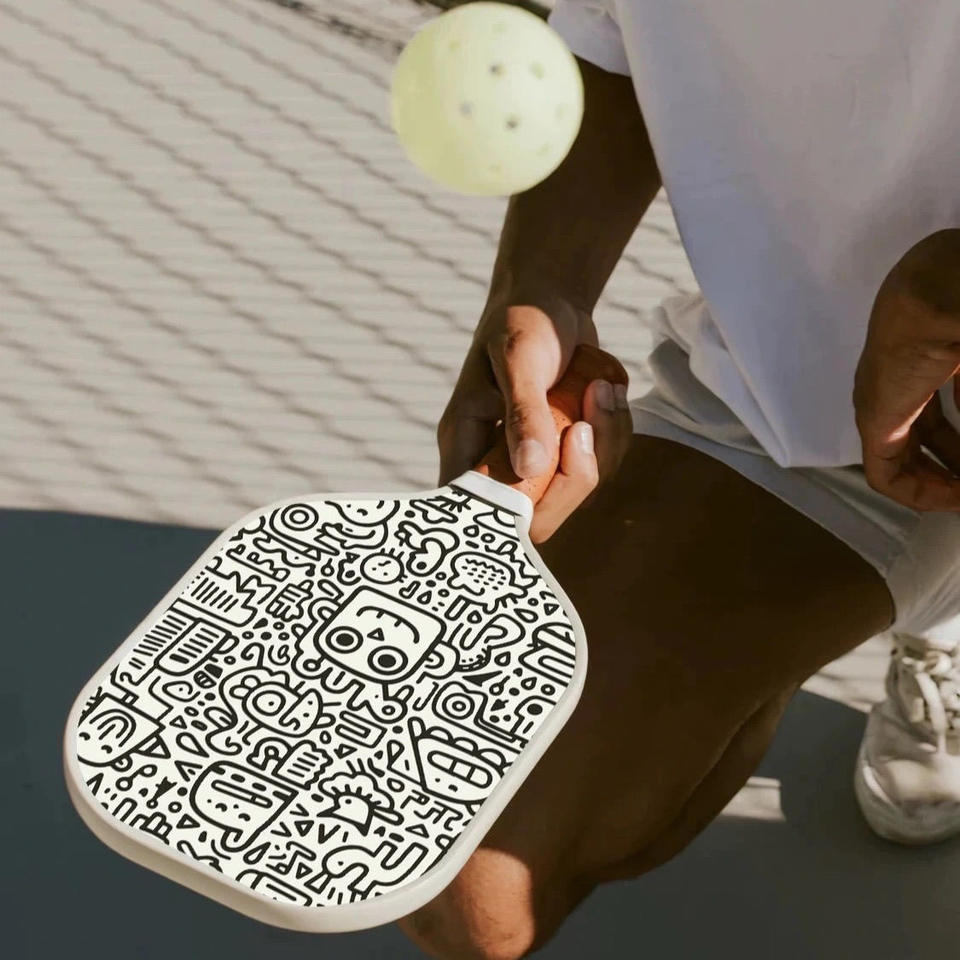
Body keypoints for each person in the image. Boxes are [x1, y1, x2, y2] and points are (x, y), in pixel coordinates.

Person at [398, 2, 960, 957]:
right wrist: (543, 287)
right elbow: (617, 37)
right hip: (811, 404)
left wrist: (947, 287)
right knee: (466, 884)